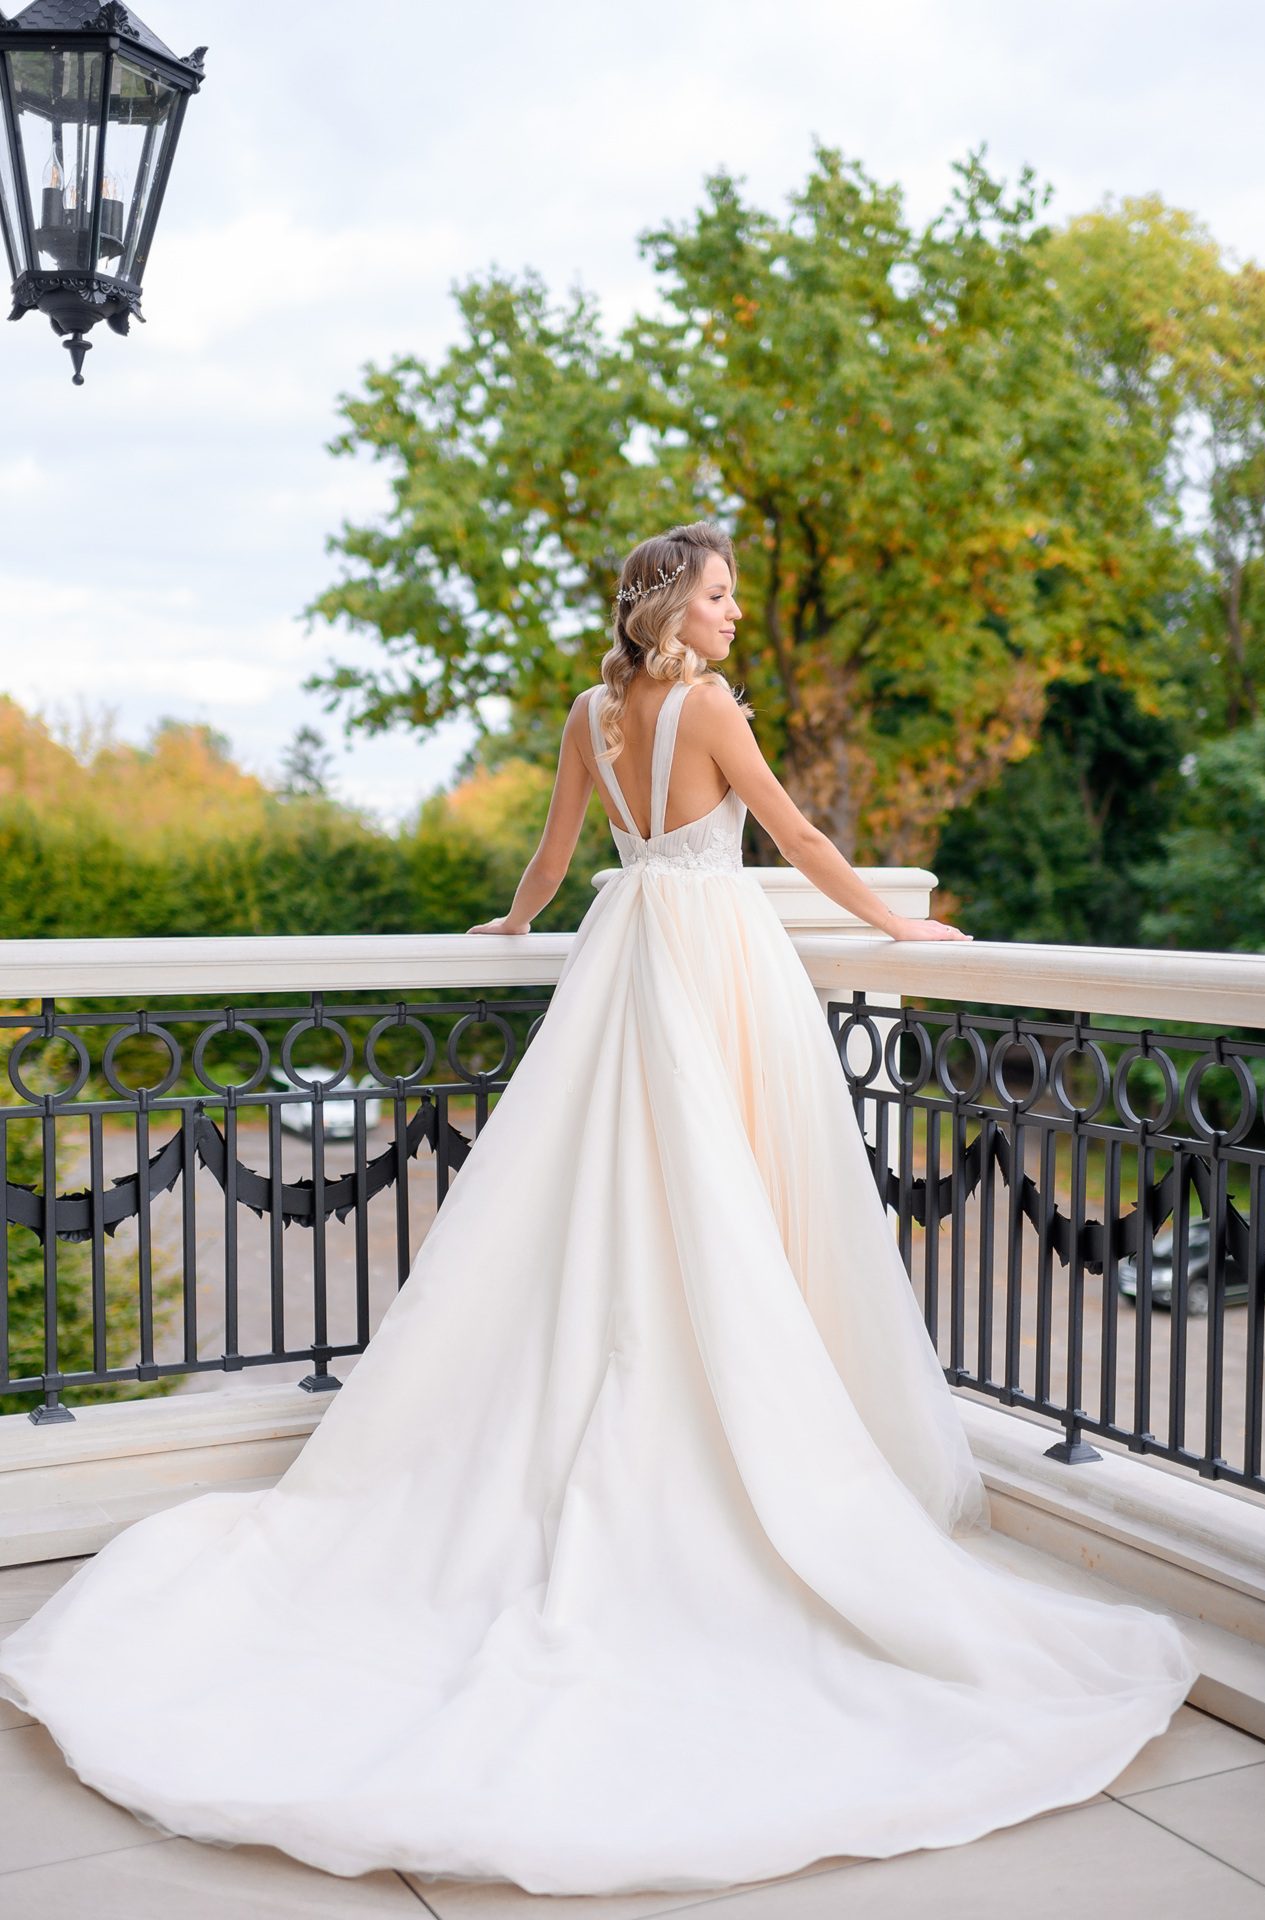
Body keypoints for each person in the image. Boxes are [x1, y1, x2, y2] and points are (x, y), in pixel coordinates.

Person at [0, 520, 1198, 1898]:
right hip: (716, 963)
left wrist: (511, 927)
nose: (736, 611)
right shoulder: (706, 710)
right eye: (720, 592)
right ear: (670, 610)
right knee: (719, 1192)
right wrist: (900, 922)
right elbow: (796, 835)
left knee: (610, 1195)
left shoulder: (591, 712)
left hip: (627, 961)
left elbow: (558, 857)